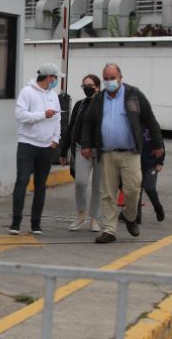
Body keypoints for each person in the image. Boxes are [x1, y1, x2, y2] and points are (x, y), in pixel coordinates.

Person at [81, 63, 164, 244]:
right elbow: (88, 123)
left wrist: (158, 144)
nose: (110, 81)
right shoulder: (99, 99)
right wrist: (86, 144)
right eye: (107, 78)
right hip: (107, 153)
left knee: (133, 189)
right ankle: (109, 230)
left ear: (120, 78)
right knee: (108, 193)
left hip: (131, 152)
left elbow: (150, 119)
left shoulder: (134, 95)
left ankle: (130, 216)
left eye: (113, 78)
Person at [9, 63, 63, 235]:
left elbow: (57, 120)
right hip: (27, 144)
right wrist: (42, 115)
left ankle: (36, 223)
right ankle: (16, 222)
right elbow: (20, 115)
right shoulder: (27, 92)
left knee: (41, 185)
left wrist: (55, 140)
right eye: (55, 78)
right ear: (48, 77)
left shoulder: (54, 96)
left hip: (46, 147)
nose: (56, 81)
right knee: (22, 181)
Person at [60, 74, 102, 232]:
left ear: (97, 87)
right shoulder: (79, 105)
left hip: (100, 151)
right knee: (80, 182)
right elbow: (71, 128)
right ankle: (81, 215)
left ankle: (94, 219)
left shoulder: (105, 105)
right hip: (80, 148)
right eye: (84, 85)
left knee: (98, 187)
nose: (86, 88)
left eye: (90, 85)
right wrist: (64, 151)